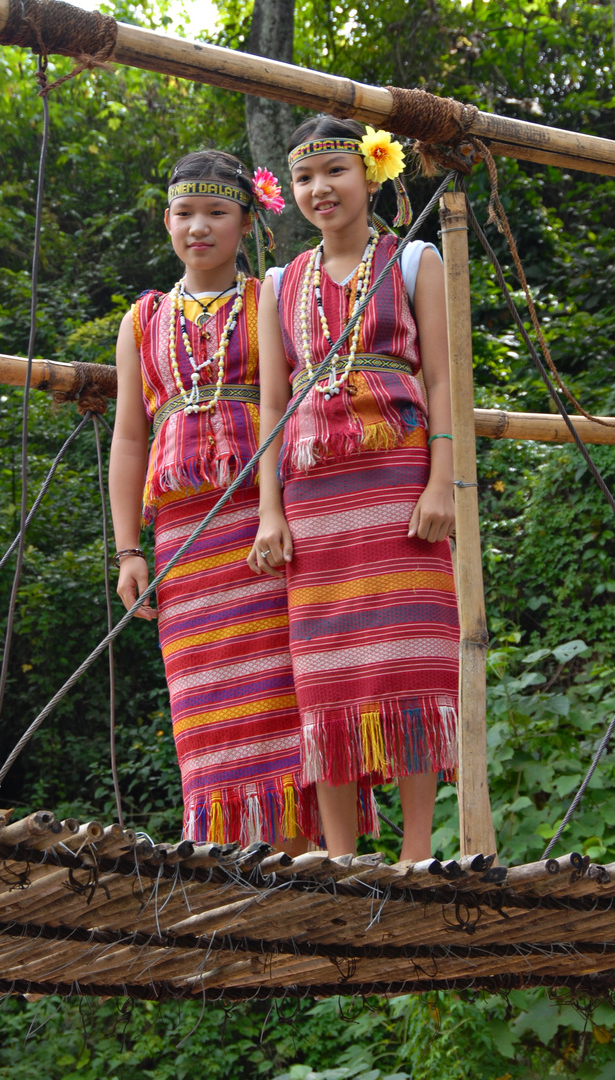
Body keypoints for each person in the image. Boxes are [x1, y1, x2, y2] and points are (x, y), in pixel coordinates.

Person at [247, 117, 459, 861]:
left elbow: (442, 381)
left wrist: (442, 485)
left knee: (411, 660)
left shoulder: (415, 262)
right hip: (313, 503)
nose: (318, 190)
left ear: (371, 174)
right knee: (325, 674)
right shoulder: (278, 284)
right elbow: (271, 408)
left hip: (400, 485)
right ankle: (340, 856)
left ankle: (415, 850)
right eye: (303, 178)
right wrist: (268, 513)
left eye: (334, 171)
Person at [109, 150, 311, 854]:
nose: (199, 227)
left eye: (216, 213)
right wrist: (128, 550)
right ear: (166, 221)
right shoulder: (142, 319)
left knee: (283, 698)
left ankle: (305, 862)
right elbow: (129, 439)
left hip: (263, 522)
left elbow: (294, 412)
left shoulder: (271, 300)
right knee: (206, 712)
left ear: (246, 221)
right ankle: (228, 867)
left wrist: (275, 512)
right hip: (182, 537)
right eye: (185, 214)